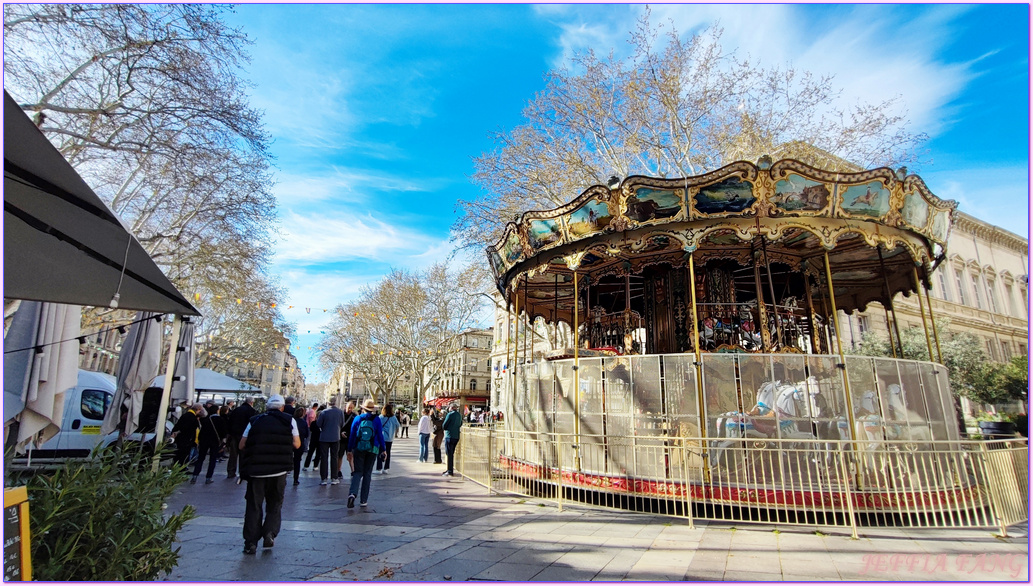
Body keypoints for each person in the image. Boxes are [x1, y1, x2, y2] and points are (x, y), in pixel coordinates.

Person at [238, 394, 300, 555]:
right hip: (279, 470)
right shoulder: (289, 420)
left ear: (266, 407)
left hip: (256, 471)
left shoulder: (255, 420)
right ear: (282, 407)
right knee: (275, 504)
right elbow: (297, 444)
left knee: (253, 505)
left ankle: (250, 542)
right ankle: (270, 533)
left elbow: (241, 444)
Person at [346, 399, 386, 508]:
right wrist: (383, 449)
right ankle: (363, 500)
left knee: (357, 472)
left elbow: (352, 435)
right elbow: (380, 435)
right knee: (367, 473)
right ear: (372, 409)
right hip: (373, 449)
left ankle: (352, 494)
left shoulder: (357, 418)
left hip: (359, 448)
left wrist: (349, 450)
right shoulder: (377, 420)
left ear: (363, 408)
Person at [316, 398, 345, 485]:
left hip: (324, 437)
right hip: (336, 437)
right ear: (336, 403)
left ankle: (324, 478)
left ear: (328, 403)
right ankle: (334, 477)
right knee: (334, 457)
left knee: (324, 458)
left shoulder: (324, 412)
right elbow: (342, 424)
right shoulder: (340, 412)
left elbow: (318, 424)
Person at [226, 397, 256, 478]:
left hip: (234, 434)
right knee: (243, 454)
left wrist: (229, 433)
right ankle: (242, 472)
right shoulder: (251, 411)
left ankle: (231, 471)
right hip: (244, 435)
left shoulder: (236, 410)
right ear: (252, 402)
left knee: (233, 454)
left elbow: (230, 421)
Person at [191, 406, 220, 484]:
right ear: (217, 411)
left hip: (204, 440)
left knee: (201, 458)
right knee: (212, 459)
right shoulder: (220, 420)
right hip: (215, 441)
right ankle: (208, 477)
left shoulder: (205, 419)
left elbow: (201, 430)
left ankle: (195, 475)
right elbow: (223, 432)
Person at [375, 404, 400, 474]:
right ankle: (386, 468)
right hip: (390, 438)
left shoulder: (381, 417)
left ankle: (379, 468)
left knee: (380, 452)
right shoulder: (393, 417)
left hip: (382, 437)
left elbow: (377, 426)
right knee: (388, 452)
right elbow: (398, 425)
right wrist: (395, 431)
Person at [442, 403, 462, 477]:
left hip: (449, 435)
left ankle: (450, 471)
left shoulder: (450, 414)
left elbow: (444, 425)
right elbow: (460, 424)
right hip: (456, 436)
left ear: (452, 407)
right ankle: (449, 469)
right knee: (452, 453)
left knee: (449, 454)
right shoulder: (459, 415)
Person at [291, 405, 310, 486]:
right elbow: (306, 434)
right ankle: (296, 479)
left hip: (290, 443)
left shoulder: (291, 421)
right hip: (300, 443)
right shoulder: (303, 422)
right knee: (297, 461)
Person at [339, 401, 357, 478]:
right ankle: (338, 471)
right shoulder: (341, 415)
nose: (350, 409)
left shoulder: (354, 416)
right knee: (340, 455)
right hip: (341, 439)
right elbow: (337, 425)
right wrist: (340, 433)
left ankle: (353, 471)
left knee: (351, 455)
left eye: (351, 408)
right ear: (345, 406)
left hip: (350, 439)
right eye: (349, 407)